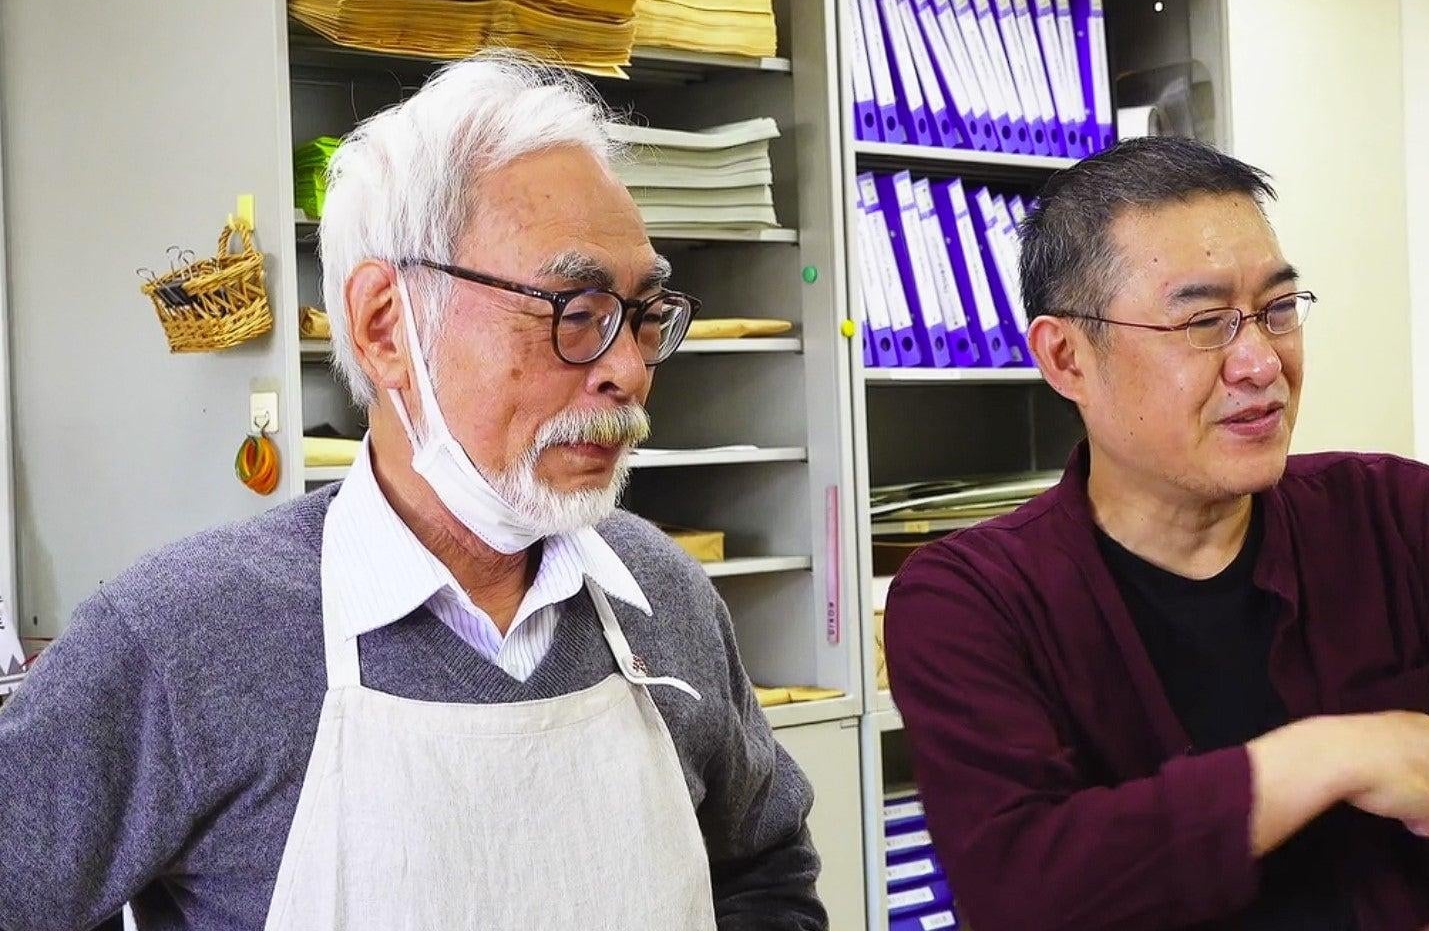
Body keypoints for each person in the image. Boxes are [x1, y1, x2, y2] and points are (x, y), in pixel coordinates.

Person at [0, 52, 824, 930]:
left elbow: (762, 868)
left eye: (642, 314)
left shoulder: (665, 597)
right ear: (386, 326)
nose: (627, 369)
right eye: (574, 311)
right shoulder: (181, 639)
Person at [884, 137, 1429, 931]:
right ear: (1066, 358)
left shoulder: (1401, 522)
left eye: (1276, 310)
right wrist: (1317, 761)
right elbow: (1024, 889)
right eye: (1204, 323)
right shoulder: (971, 600)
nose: (1261, 363)